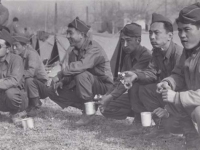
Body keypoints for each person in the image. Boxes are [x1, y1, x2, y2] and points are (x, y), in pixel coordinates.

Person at [101, 13, 183, 129]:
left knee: (143, 89)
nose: (152, 37)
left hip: (178, 98)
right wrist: (135, 75)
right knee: (145, 89)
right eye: (150, 33)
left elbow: (183, 87)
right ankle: (160, 125)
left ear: (169, 36)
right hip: (163, 94)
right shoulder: (157, 52)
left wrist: (167, 109)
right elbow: (151, 72)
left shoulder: (179, 55)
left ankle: (168, 123)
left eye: (156, 33)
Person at [32, 17, 113, 126]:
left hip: (104, 87)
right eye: (67, 33)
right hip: (87, 86)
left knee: (81, 74)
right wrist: (62, 82)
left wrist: (60, 74)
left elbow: (80, 67)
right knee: (52, 90)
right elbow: (71, 74)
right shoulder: (73, 51)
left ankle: (88, 113)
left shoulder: (94, 48)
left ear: (82, 35)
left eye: (70, 33)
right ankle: (89, 106)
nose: (67, 36)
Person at [154, 3, 200, 150]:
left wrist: (176, 97)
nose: (181, 35)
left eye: (187, 29)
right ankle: (192, 140)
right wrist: (168, 83)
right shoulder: (189, 50)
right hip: (194, 99)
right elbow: (179, 74)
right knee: (166, 117)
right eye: (179, 30)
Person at [99, 23, 152, 120]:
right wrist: (106, 96)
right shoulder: (127, 57)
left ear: (138, 40)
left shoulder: (146, 56)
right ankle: (139, 114)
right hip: (135, 96)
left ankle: (140, 119)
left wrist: (110, 97)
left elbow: (128, 80)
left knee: (135, 85)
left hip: (150, 97)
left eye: (128, 40)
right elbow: (121, 79)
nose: (125, 45)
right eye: (123, 41)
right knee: (108, 107)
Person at [12, 35, 48, 117]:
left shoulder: (32, 54)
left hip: (42, 85)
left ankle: (36, 106)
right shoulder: (19, 56)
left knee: (28, 80)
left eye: (16, 46)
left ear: (24, 46)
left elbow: (31, 73)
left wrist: (16, 75)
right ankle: (26, 105)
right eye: (13, 46)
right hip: (32, 85)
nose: (14, 48)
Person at [0, 29, 28, 124]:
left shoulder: (16, 59)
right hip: (2, 97)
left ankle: (16, 113)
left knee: (10, 92)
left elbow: (14, 81)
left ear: (8, 49)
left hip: (17, 99)